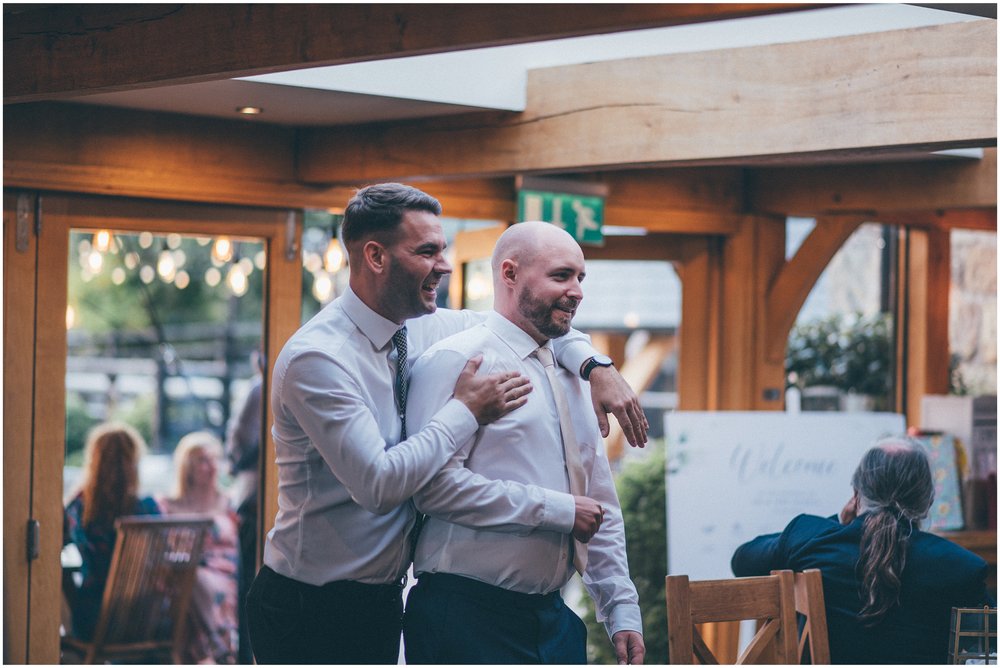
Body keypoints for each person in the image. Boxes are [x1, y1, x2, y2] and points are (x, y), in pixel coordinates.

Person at [246, 183, 648, 665]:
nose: (443, 264)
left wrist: (595, 367)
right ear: (375, 256)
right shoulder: (320, 358)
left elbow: (528, 321)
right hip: (310, 602)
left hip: (383, 597)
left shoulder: (419, 326)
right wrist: (466, 411)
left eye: (444, 249)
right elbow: (379, 484)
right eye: (427, 251)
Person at [403, 221, 645, 665]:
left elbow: (597, 496)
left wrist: (621, 608)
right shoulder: (457, 360)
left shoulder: (576, 374)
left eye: (580, 278)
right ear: (509, 274)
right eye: (561, 276)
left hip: (553, 620)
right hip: (465, 618)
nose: (577, 291)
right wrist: (559, 511)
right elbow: (429, 488)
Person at [731, 436, 991, 664]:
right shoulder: (961, 567)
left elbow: (742, 561)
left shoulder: (808, 539)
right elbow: (990, 647)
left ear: (855, 495)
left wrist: (836, 522)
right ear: (928, 501)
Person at [63, 422, 161, 641]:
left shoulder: (79, 508)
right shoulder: (147, 508)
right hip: (145, 617)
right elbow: (164, 556)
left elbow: (53, 550)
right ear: (133, 462)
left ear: (94, 461)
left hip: (96, 618)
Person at [160, 431, 240, 664]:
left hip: (225, 574)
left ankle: (211, 645)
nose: (212, 466)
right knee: (189, 576)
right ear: (187, 467)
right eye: (204, 460)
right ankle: (217, 644)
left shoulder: (230, 503)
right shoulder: (167, 505)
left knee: (193, 581)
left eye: (215, 459)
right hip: (179, 576)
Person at [224, 350, 263, 664]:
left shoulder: (261, 389)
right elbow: (238, 452)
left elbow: (235, 449)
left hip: (262, 504)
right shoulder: (260, 390)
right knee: (250, 592)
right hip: (255, 503)